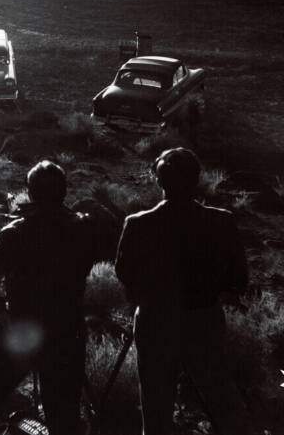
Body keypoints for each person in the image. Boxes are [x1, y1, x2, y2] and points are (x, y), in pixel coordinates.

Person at [0, 160, 102, 435]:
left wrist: (1, 313)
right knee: (64, 415)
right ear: (65, 191)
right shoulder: (85, 229)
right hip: (66, 332)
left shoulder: (16, 233)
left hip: (20, 328)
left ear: (31, 192)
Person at [116, 147, 251, 435]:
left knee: (155, 401)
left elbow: (124, 274)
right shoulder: (222, 222)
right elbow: (240, 279)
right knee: (220, 398)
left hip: (155, 321)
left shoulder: (138, 224)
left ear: (158, 180)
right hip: (204, 319)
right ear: (196, 179)